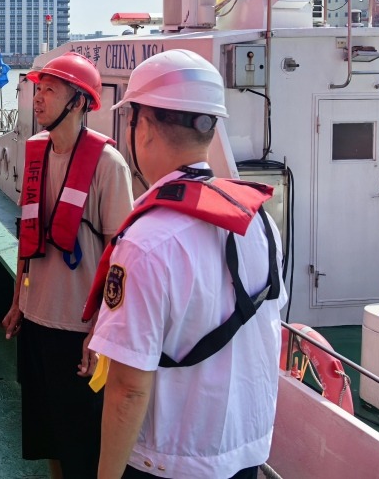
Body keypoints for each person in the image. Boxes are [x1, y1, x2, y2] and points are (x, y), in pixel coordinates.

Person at [84, 49, 286, 479]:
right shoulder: (262, 223)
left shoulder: (145, 243)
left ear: (143, 128)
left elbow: (128, 389)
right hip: (244, 455)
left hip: (167, 461)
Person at [1, 51, 134, 479]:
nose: (38, 98)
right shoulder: (36, 154)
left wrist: (100, 332)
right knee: (49, 440)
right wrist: (18, 302)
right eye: (38, 90)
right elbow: (28, 235)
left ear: (78, 102)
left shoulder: (108, 166)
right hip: (36, 320)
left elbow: (121, 258)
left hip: (79, 330)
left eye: (50, 91)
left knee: (82, 448)